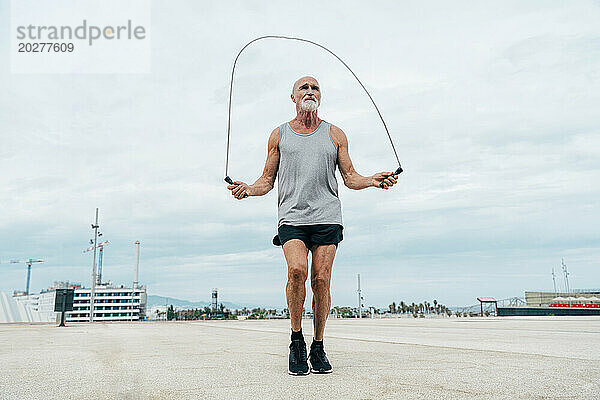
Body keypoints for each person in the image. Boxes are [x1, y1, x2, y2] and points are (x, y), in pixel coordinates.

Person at [227, 76, 398, 375]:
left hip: (327, 216)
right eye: (303, 88)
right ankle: (296, 341)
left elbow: (350, 177)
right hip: (292, 217)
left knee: (321, 280)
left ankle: (318, 344)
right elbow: (267, 180)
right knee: (296, 272)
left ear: (321, 96)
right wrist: (248, 189)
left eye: (315, 87)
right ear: (292, 97)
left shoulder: (335, 134)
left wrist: (372, 180)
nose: (309, 91)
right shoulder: (278, 135)